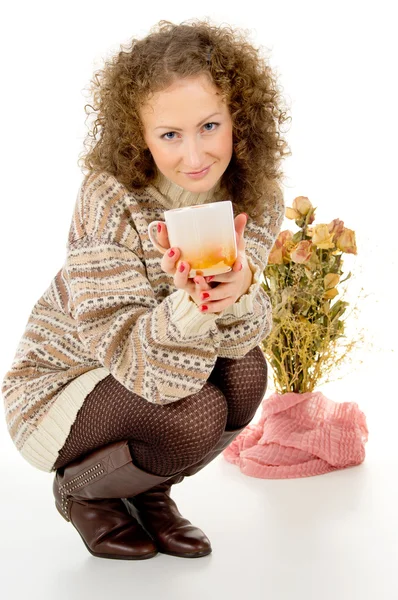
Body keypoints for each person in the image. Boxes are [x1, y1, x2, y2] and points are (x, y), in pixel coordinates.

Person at [1, 18, 291, 560]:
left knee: (249, 372)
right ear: (141, 137)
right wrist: (188, 310)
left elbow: (236, 337)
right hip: (65, 385)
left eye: (210, 126)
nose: (196, 156)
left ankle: (147, 493)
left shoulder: (253, 193)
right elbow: (136, 361)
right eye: (170, 135)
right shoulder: (109, 199)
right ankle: (83, 492)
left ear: (239, 119)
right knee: (195, 412)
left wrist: (241, 286)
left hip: (154, 377)